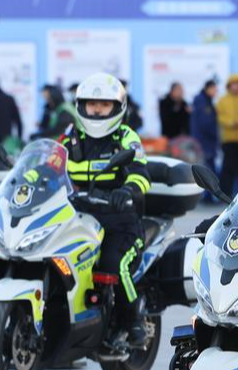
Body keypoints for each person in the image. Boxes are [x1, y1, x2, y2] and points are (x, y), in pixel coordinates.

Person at [59, 72, 150, 348]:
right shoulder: (69, 139)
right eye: (92, 104)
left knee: (114, 264)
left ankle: (134, 322)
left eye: (104, 105)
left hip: (120, 222)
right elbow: (49, 168)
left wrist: (127, 191)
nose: (97, 110)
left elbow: (141, 173)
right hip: (79, 219)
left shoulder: (125, 137)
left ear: (117, 107)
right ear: (81, 106)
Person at [216, 74, 238, 196]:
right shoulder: (222, 100)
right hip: (229, 140)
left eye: (237, 84)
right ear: (229, 86)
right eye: (232, 85)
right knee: (228, 169)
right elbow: (220, 117)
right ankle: (225, 195)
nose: (235, 87)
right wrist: (232, 123)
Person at [190, 80, 219, 173]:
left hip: (204, 142)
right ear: (208, 89)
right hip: (205, 142)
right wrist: (215, 134)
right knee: (208, 171)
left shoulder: (204, 101)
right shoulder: (203, 103)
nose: (216, 92)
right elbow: (206, 123)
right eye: (214, 89)